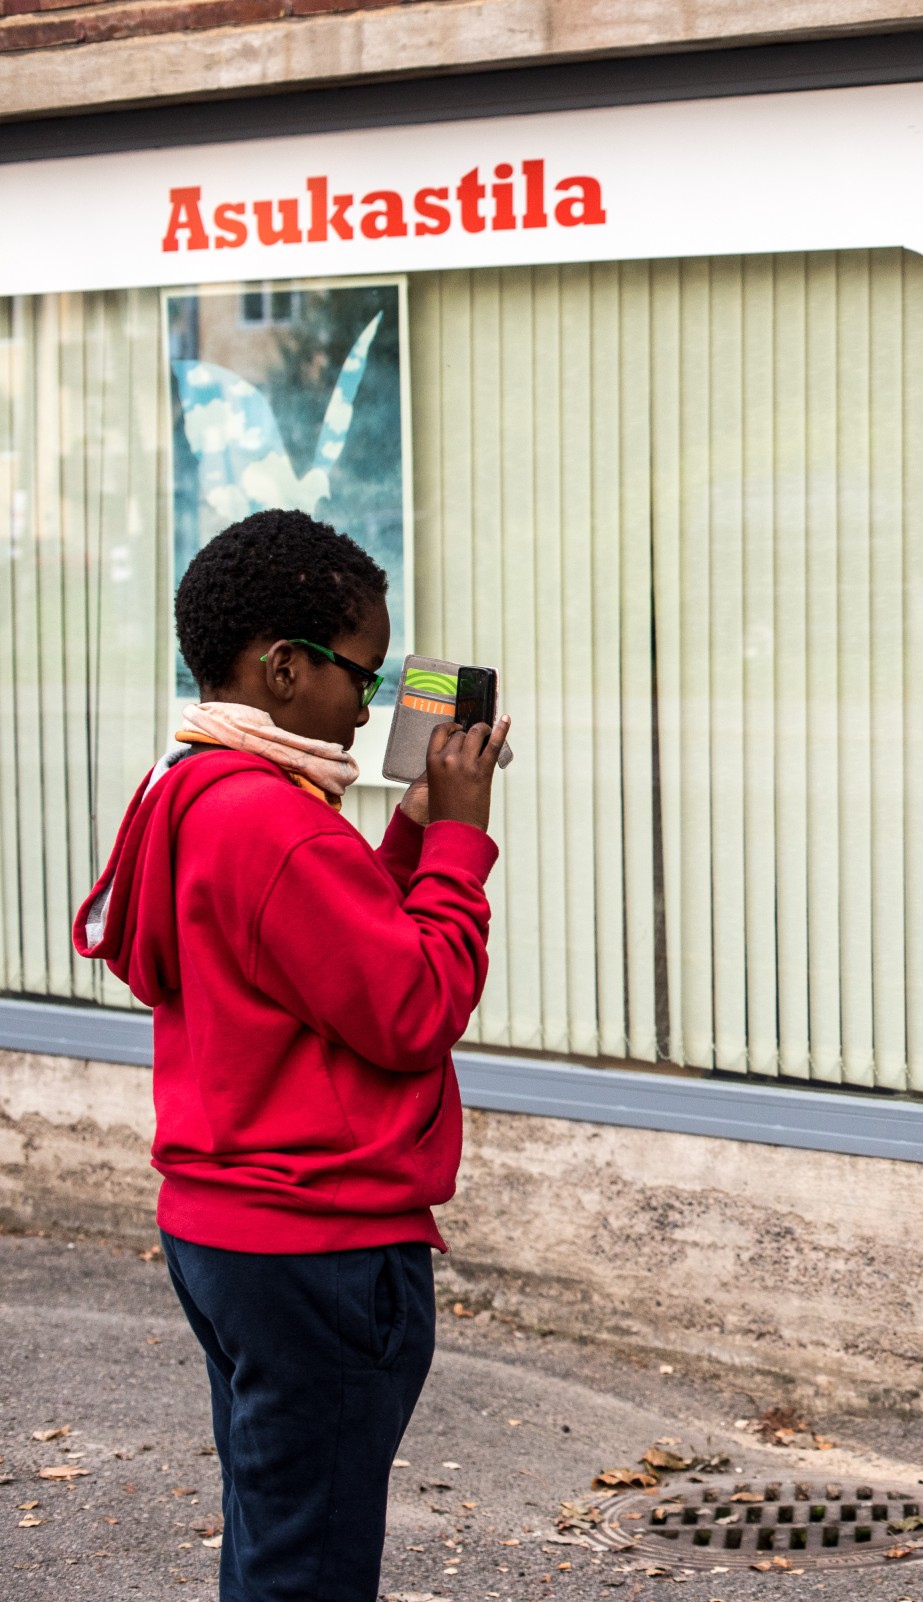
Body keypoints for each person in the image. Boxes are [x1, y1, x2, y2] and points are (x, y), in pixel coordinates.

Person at [72, 509, 508, 1602]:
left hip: (223, 1232)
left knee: (275, 1528)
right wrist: (459, 840)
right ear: (281, 669)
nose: (372, 704)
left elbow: (314, 944)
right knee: (304, 1565)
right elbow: (413, 1005)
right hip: (315, 1246)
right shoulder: (276, 823)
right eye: (363, 674)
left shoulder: (187, 789)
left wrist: (405, 832)